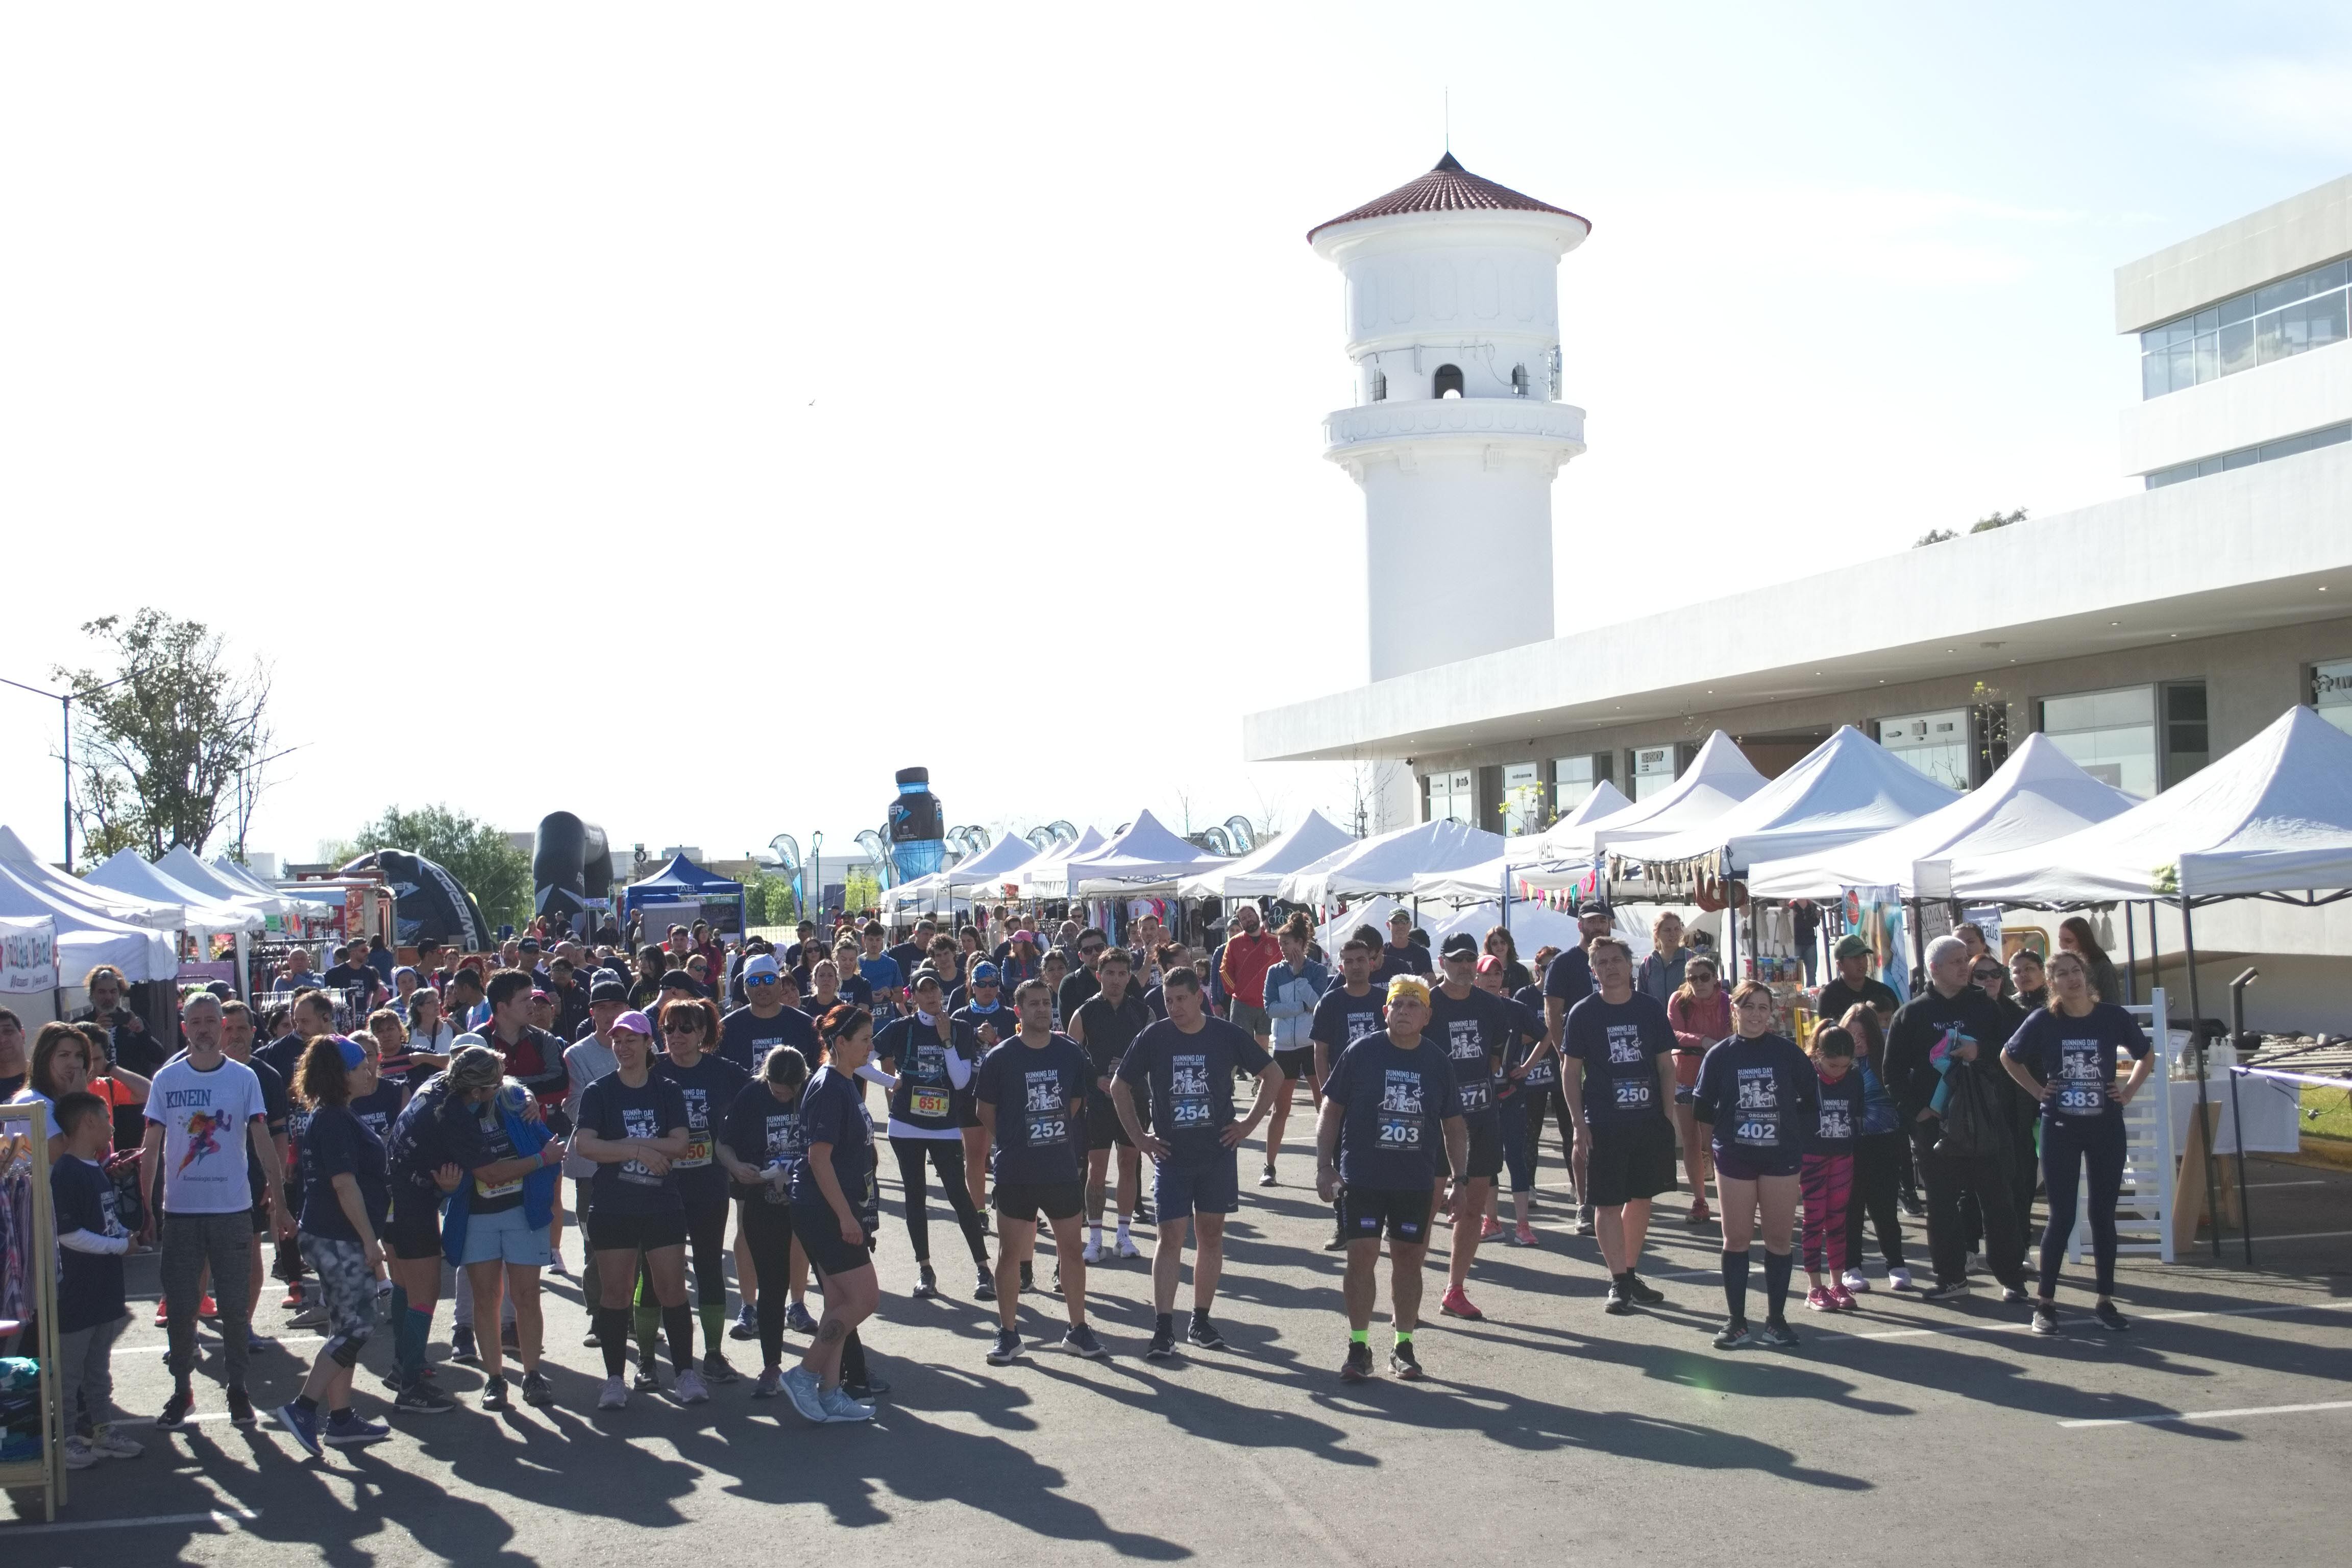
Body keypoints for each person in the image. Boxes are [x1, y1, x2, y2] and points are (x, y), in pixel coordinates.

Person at [141, 991, 293, 1431]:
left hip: (232, 1210)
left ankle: (238, 1388)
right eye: (197, 1022)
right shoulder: (166, 1081)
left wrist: (279, 1201)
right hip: (182, 1212)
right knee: (183, 1305)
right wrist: (149, 1210)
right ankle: (181, 1389)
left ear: (222, 1029)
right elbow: (151, 1147)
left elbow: (264, 1141)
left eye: (213, 1021)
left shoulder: (244, 1079)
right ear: (185, 1027)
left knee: (233, 1306)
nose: (206, 1029)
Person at [1113, 965, 1280, 1361]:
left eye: (1181, 999)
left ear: (1200, 997)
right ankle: (1163, 1328)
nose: (1174, 1008)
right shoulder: (1155, 1037)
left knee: (1210, 1237)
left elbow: (1273, 1073)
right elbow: (1120, 1086)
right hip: (1172, 1156)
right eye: (1168, 1001)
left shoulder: (1225, 1034)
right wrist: (1140, 1139)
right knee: (1169, 1237)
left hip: (1216, 1154)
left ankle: (1200, 1321)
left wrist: (1248, 1125)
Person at [1315, 974, 1466, 1381]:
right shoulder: (1361, 1052)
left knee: (1409, 1261)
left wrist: (1460, 1179)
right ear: (1386, 1012)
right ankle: (1359, 1345)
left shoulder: (1436, 1061)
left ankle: (1404, 1346)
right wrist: (1324, 1167)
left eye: (1413, 1005)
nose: (1403, 1012)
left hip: (1414, 1180)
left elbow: (1454, 1125)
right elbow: (1331, 1111)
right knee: (1361, 1256)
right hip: (1362, 1177)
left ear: (1426, 1016)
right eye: (1397, 1005)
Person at [2001, 949, 2153, 1335]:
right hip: (2061, 1126)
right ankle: (2045, 1303)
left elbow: (2146, 1056)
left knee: (2103, 1215)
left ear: (2086, 976)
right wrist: (2039, 1091)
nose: (2072, 980)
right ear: (2051, 984)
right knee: (2062, 1215)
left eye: (2076, 972)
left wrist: (2129, 1091)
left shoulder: (2112, 1017)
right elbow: (2008, 1056)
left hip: (2105, 1126)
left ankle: (2105, 1300)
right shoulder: (2044, 1020)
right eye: (2063, 975)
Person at [571, 1011, 705, 1409]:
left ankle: (685, 1372)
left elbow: (681, 1142)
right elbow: (586, 1145)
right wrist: (637, 1150)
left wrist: (630, 1146)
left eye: (632, 1039)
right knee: (615, 1293)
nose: (623, 1047)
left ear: (649, 1044)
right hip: (614, 1207)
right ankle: (614, 1380)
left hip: (661, 1206)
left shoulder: (667, 1091)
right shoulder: (600, 1092)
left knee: (672, 1290)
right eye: (618, 1040)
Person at [1885, 935, 2028, 1305]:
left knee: (1998, 1203)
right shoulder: (1912, 1013)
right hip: (1936, 1127)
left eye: (1966, 960)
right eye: (1955, 962)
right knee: (1943, 1206)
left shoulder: (1987, 1007)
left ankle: (2012, 1278)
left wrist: (1981, 1051)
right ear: (1933, 969)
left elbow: (2014, 1053)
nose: (1965, 968)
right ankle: (1951, 1279)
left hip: (1985, 1121)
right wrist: (1918, 1112)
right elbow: (1894, 1073)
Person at [272, 1035, 395, 1452]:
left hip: (330, 1235)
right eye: (361, 1066)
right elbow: (345, 1185)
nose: (369, 1071)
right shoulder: (336, 1120)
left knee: (344, 1327)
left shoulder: (335, 1115)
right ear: (340, 1075)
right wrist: (370, 1243)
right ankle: (304, 1407)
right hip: (339, 1238)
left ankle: (341, 1419)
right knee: (359, 1326)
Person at [973, 979, 1104, 1364]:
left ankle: (1078, 1329)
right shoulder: (1001, 1057)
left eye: (1047, 1003)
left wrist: (1050, 1134)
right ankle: (1009, 1333)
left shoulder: (1069, 1053)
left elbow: (1076, 1101)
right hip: (1016, 1171)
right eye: (1033, 1004)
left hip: (1061, 1168)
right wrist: (1014, 1140)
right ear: (1019, 1011)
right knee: (1010, 1254)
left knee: (1072, 1253)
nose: (1042, 1010)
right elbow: (984, 1111)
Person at [1690, 981, 1819, 1349]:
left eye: (1763, 1008)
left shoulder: (1788, 1053)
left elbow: (1812, 1099)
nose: (1756, 1015)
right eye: (1749, 1007)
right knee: (1737, 1239)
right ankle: (1736, 1322)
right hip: (1735, 1156)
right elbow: (1702, 1107)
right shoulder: (1721, 1055)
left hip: (1781, 1157)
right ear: (1735, 1010)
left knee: (1779, 1240)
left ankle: (1777, 1321)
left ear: (1772, 1013)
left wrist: (1792, 1131)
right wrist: (1729, 1128)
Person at [1559, 936, 1681, 1314]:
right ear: (1593, 971)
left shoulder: (1649, 1009)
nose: (1610, 967)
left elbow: (1665, 1065)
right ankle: (1617, 1280)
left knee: (1641, 1198)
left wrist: (1667, 1116)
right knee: (1607, 1203)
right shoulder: (1583, 1012)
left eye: (1616, 960)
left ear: (1631, 966)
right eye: (1602, 962)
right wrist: (1579, 1124)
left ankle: (1629, 1273)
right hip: (1604, 1123)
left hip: (1647, 1122)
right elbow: (1571, 1071)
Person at [779, 1005, 883, 1423]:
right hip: (823, 1210)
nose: (871, 1047)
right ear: (840, 1043)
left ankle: (830, 1390)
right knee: (864, 1298)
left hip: (835, 1207)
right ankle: (804, 1375)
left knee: (840, 1301)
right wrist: (845, 1216)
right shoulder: (828, 1086)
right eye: (864, 1040)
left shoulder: (843, 1082)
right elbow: (818, 1159)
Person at [868, 972, 992, 1301]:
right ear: (913, 997)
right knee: (915, 1196)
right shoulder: (901, 1028)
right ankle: (925, 1270)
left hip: (945, 1126)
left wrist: (946, 1039)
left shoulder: (961, 1029)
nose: (931, 995)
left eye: (935, 988)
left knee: (958, 1194)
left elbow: (962, 1080)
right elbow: (858, 1060)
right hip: (906, 1125)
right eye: (923, 991)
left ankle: (983, 1269)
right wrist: (889, 1082)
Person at [649, 996, 749, 1386]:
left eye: (686, 1028)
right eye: (669, 1029)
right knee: (655, 1270)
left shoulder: (723, 1071)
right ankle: (646, 1359)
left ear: (704, 1032)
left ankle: (712, 1353)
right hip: (658, 1187)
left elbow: (762, 1097)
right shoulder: (650, 1067)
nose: (676, 1036)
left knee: (709, 1266)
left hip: (708, 1183)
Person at [715, 957, 818, 1335]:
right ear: (744, 986)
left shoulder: (802, 1025)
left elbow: (822, 1078)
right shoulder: (729, 1028)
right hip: (749, 1142)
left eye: (768, 979)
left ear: (781, 982)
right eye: (754, 980)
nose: (761, 987)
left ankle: (798, 1304)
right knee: (746, 1228)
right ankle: (749, 1307)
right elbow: (721, 1082)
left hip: (797, 1140)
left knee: (797, 1229)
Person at [50, 1090, 143, 1470]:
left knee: (98, 1367)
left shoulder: (95, 1169)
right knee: (70, 1371)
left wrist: (124, 1235)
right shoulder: (66, 1172)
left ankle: (103, 1431)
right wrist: (117, 1247)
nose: (112, 1124)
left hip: (105, 1290)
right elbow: (68, 1234)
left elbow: (105, 1220)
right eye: (106, 1117)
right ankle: (67, 1438)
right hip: (77, 1293)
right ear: (88, 1122)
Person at [720, 1045, 818, 1398]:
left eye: (786, 1093)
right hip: (764, 1202)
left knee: (836, 1285)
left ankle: (848, 1367)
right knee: (772, 1287)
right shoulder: (751, 1095)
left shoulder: (814, 1092)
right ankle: (771, 1366)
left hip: (810, 1202)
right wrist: (735, 1167)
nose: (780, 1097)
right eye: (774, 1090)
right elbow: (724, 1145)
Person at [1427, 932, 1514, 1322]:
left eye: (1469, 960)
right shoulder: (1427, 1004)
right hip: (1434, 1125)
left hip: (1481, 1119)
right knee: (1424, 1207)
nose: (1464, 966)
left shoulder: (1490, 1006)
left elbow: (1495, 1058)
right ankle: (1407, 1290)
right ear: (1441, 962)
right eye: (1456, 959)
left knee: (1473, 1206)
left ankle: (1455, 1290)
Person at [1068, 947, 1150, 1260]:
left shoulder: (1143, 1012)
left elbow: (1152, 1058)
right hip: (1098, 1103)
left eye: (1121, 973)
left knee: (1129, 1165)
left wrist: (1128, 1078)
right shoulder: (1085, 1012)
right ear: (1099, 975)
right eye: (1110, 973)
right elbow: (1072, 1059)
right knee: (1096, 1169)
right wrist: (1096, 1080)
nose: (1116, 979)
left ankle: (1124, 1236)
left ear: (1129, 977)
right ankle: (1095, 1238)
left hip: (1134, 1101)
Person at [1309, 937, 1389, 1250]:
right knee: (1341, 1164)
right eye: (1349, 961)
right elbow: (1320, 1053)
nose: (1356, 966)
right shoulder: (1330, 1003)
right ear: (1340, 965)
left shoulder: (1385, 1000)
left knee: (1385, 1161)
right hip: (1345, 1097)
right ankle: (1343, 1226)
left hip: (1385, 1096)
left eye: (1361, 960)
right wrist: (1329, 1095)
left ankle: (1386, 1223)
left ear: (1372, 962)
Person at [1837, 1006, 1913, 1293]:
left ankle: (1896, 1265)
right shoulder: (1836, 1062)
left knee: (1885, 1209)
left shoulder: (1884, 1061)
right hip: (1847, 1143)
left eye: (1863, 1034)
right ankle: (1851, 1267)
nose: (1857, 1040)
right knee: (1851, 1209)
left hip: (1884, 1141)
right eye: (1851, 1033)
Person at [562, 992, 624, 1338]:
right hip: (592, 1164)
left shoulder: (644, 1046)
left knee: (637, 1242)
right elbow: (571, 1104)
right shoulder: (576, 1055)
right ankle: (599, 1316)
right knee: (596, 1242)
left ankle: (631, 1315)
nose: (609, 1013)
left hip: (637, 1160)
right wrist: (609, 1124)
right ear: (592, 1013)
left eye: (615, 1005)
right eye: (602, 1008)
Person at [1481, 954, 1550, 1245]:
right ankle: (1492, 1220)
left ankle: (1523, 1225)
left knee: (1516, 1156)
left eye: (1498, 974)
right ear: (1477, 978)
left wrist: (1528, 1066)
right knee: (1488, 1159)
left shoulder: (1517, 1009)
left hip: (1512, 1093)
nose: (1494, 979)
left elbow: (1546, 1036)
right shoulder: (1469, 1008)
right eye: (1488, 974)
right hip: (1482, 1098)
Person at [1259, 914, 1330, 1186]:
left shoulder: (1317, 970)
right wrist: (1301, 1006)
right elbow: (1271, 1008)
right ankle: (1270, 1167)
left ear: (1301, 943)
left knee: (1322, 1106)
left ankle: (1327, 1164)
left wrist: (1301, 980)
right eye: (1280, 944)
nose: (1283, 949)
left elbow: (1320, 1007)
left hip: (1313, 1046)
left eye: (1287, 943)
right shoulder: (1274, 972)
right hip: (1285, 1048)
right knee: (1281, 1109)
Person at [1801, 1024, 1865, 1313]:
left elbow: (1858, 1115)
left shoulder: (1854, 1077)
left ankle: (1837, 1282)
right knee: (1814, 1219)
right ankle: (1815, 1287)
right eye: (1831, 1065)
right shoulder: (1805, 1076)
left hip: (1843, 1155)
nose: (1838, 1071)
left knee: (1838, 1220)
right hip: (1811, 1157)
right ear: (1817, 1056)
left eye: (1844, 1065)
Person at [951, 961, 1017, 1232]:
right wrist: (973, 1039)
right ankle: (978, 1211)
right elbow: (950, 1054)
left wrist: (995, 1039)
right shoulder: (961, 1015)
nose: (988, 989)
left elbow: (1019, 1051)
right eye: (982, 984)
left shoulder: (1010, 1015)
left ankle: (1011, 1204)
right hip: (970, 1093)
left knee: (1010, 1153)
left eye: (993, 984)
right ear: (973, 986)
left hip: (1005, 1093)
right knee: (976, 1154)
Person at [1665, 954, 1729, 1228]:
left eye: (1705, 977)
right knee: (1691, 1141)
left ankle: (1730, 1200)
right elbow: (1673, 1033)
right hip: (1686, 1077)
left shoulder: (1728, 1000)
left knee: (1716, 1140)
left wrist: (1719, 1047)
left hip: (1719, 1078)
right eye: (1693, 978)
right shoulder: (1679, 1000)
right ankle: (1700, 1200)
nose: (1699, 983)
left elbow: (1734, 1030)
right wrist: (1703, 1040)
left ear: (1715, 978)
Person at [1218, 901, 1282, 1049]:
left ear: (1257, 916)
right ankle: (1239, 1073)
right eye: (1244, 919)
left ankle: (1260, 1074)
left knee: (1263, 1044)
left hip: (1268, 1003)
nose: (1248, 920)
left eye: (1250, 916)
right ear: (1241, 923)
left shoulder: (1275, 942)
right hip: (1242, 1004)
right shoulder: (1234, 943)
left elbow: (1283, 969)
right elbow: (1225, 970)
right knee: (1240, 1044)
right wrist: (1237, 990)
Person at [1816, 934, 1901, 1026]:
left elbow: (1897, 1028)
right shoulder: (1829, 996)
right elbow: (1829, 1035)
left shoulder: (1884, 992)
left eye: (1864, 956)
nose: (1861, 962)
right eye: (1854, 957)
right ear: (1840, 964)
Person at [2056, 917, 2124, 1010]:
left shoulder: (2103, 968)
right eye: (2060, 940)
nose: (2062, 945)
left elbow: (2112, 1006)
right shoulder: (2061, 966)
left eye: (2069, 941)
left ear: (2083, 942)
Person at [1057, 927, 1110, 1024]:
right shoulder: (1070, 984)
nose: (1095, 953)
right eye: (1088, 950)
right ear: (1080, 956)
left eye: (1099, 947)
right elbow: (1070, 1028)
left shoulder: (1127, 979)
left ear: (1108, 948)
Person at [1635, 912, 1689, 1006]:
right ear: (1657, 933)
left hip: (1686, 1019)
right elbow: (1640, 1000)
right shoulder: (1648, 965)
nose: (1673, 934)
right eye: (1668, 930)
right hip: (1655, 1019)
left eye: (1677, 929)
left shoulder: (1691, 960)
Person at [1379, 909, 1431, 981]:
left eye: (1405, 922)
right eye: (1395, 922)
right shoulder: (1382, 953)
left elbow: (1430, 981)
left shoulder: (1422, 953)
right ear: (1388, 925)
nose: (1400, 926)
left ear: (1410, 925)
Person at [2008, 949, 2050, 1013]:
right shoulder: (2007, 1006)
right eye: (2017, 971)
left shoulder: (2058, 1001)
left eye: (2028, 968)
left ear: (2043, 972)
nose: (2023, 974)